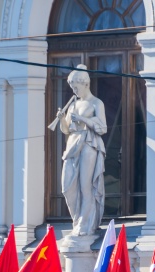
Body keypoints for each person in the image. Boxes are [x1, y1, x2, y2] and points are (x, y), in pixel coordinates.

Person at [55, 66, 107, 236]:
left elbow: (102, 127)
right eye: (72, 87)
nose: (74, 90)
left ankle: (85, 224)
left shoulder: (96, 103)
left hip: (89, 144)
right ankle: (76, 220)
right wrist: (63, 120)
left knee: (86, 186)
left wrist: (83, 119)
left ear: (85, 84)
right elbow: (67, 130)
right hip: (73, 144)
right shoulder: (73, 104)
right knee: (67, 186)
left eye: (76, 87)